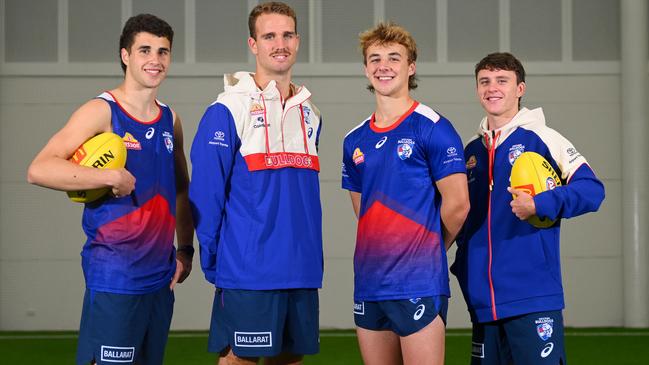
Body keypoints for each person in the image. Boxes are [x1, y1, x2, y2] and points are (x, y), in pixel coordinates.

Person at [26, 14, 194, 365]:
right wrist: (108, 177)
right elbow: (39, 168)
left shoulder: (170, 119)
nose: (155, 60)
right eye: (145, 50)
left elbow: (181, 188)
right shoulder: (102, 111)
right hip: (116, 275)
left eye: (163, 52)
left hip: (160, 279)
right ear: (125, 55)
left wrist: (185, 251)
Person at [188, 2, 323, 364]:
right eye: (269, 36)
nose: (280, 44)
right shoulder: (227, 110)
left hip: (303, 270)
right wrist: (217, 259)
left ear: (297, 41)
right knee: (238, 359)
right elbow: (205, 193)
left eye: (287, 34)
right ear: (253, 44)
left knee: (290, 359)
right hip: (249, 270)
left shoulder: (310, 113)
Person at [451, 52, 605, 365]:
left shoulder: (543, 138)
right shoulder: (470, 150)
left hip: (532, 298)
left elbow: (592, 190)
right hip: (483, 304)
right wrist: (459, 266)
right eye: (484, 81)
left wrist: (540, 203)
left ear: (520, 89)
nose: (492, 88)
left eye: (502, 81)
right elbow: (459, 215)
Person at [341, 22, 470, 365]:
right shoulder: (353, 140)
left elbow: (458, 205)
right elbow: (363, 211)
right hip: (369, 283)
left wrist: (428, 246)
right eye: (375, 58)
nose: (384, 66)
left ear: (410, 67)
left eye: (394, 58)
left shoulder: (433, 127)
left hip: (418, 282)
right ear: (366, 68)